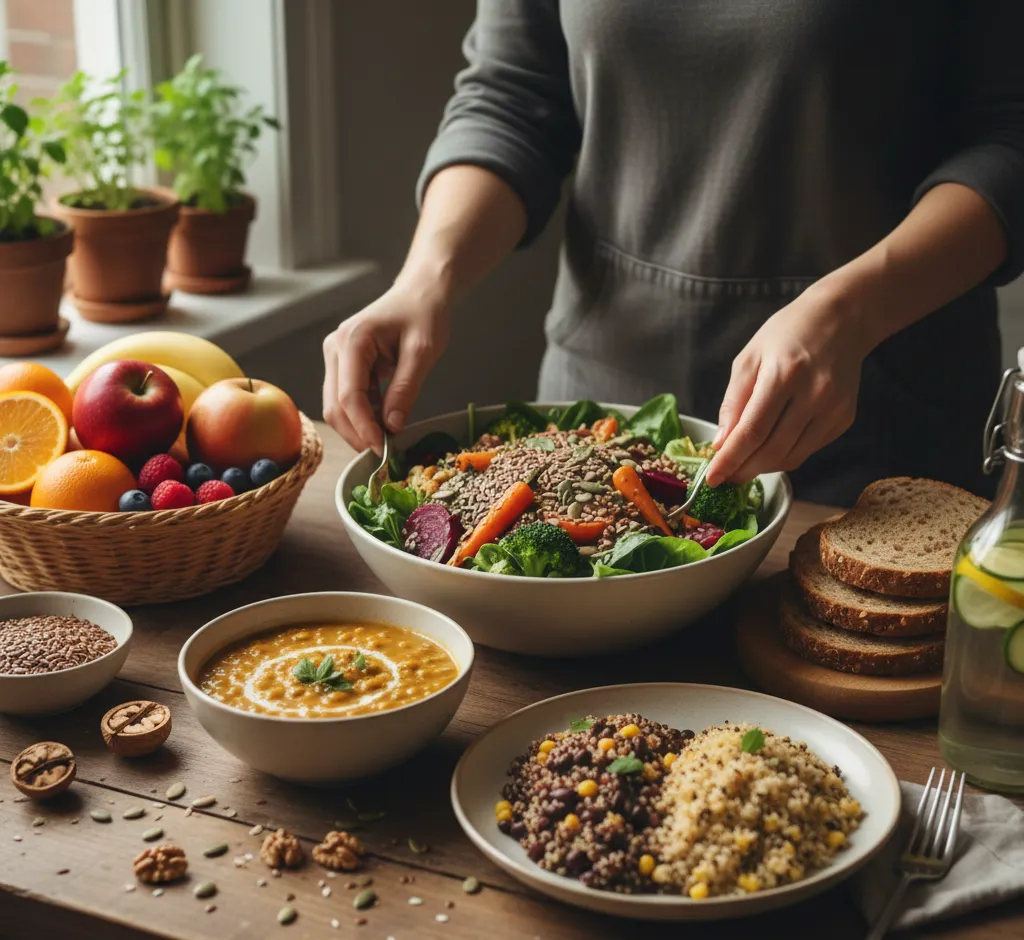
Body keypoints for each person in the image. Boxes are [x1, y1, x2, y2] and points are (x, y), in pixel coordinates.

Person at [323, 1, 1024, 505]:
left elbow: (1009, 141)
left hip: (873, 427)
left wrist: (849, 312)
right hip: (594, 416)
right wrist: (425, 280)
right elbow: (513, 96)